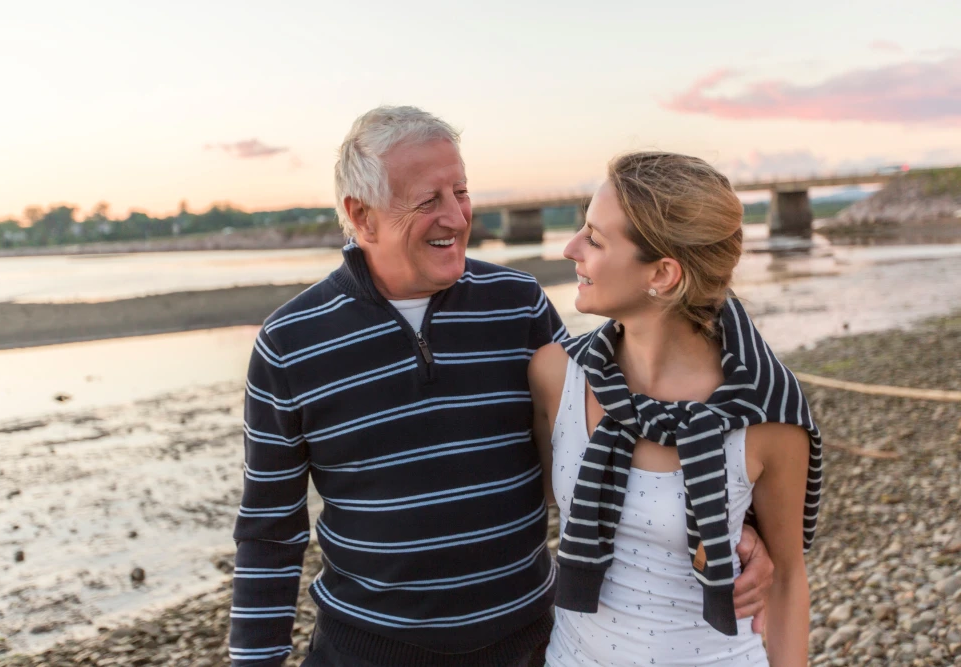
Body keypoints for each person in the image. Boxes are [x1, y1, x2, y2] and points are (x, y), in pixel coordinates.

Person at [228, 108, 775, 667]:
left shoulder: (518, 302)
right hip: (366, 650)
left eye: (460, 191)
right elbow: (270, 534)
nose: (456, 217)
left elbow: (625, 423)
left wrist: (738, 527)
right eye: (428, 200)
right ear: (361, 215)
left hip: (528, 644)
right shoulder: (291, 342)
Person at [529, 152, 823, 666]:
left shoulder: (765, 414)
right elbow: (534, 505)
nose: (570, 247)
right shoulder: (557, 376)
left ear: (663, 274)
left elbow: (788, 578)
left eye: (594, 239)